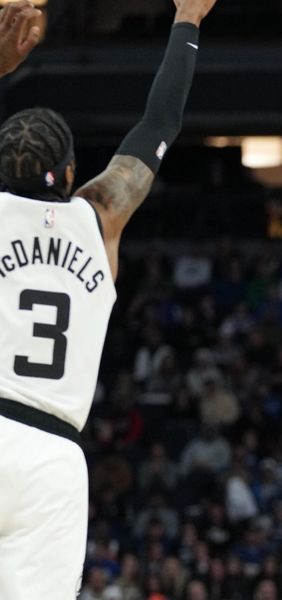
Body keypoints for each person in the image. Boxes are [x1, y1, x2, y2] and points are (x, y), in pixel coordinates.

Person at [0, 0, 217, 597]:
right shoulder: (99, 217)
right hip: (51, 457)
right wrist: (188, 20)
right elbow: (158, 125)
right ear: (71, 174)